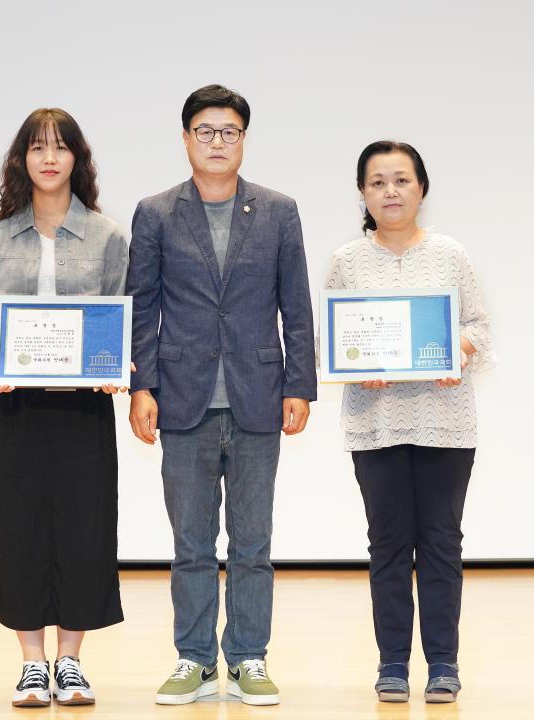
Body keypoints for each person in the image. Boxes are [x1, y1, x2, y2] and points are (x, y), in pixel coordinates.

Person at [125, 84, 316, 707]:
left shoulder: (279, 210)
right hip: (181, 399)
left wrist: (300, 384)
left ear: (244, 139)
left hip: (260, 394)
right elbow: (143, 306)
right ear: (185, 139)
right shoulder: (155, 212)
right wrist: (142, 385)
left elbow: (297, 305)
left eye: (229, 132)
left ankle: (249, 658)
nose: (216, 142)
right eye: (204, 132)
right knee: (190, 543)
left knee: (254, 542)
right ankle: (195, 659)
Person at [0, 108, 129, 708]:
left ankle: (71, 662)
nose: (49, 158)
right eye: (38, 148)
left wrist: (115, 367)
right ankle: (32, 662)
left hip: (83, 413)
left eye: (61, 147)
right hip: (12, 412)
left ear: (78, 160)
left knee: (83, 529)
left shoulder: (110, 236)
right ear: (22, 160)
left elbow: (119, 316)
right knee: (17, 530)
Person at [324, 141, 495, 704]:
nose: (390, 192)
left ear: (422, 187)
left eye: (401, 180)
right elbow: (335, 339)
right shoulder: (348, 260)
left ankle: (444, 663)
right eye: (377, 182)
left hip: (445, 420)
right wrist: (359, 366)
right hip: (377, 423)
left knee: (442, 542)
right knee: (388, 544)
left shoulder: (450, 253)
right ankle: (392, 663)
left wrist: (458, 351)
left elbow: (479, 326)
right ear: (363, 194)